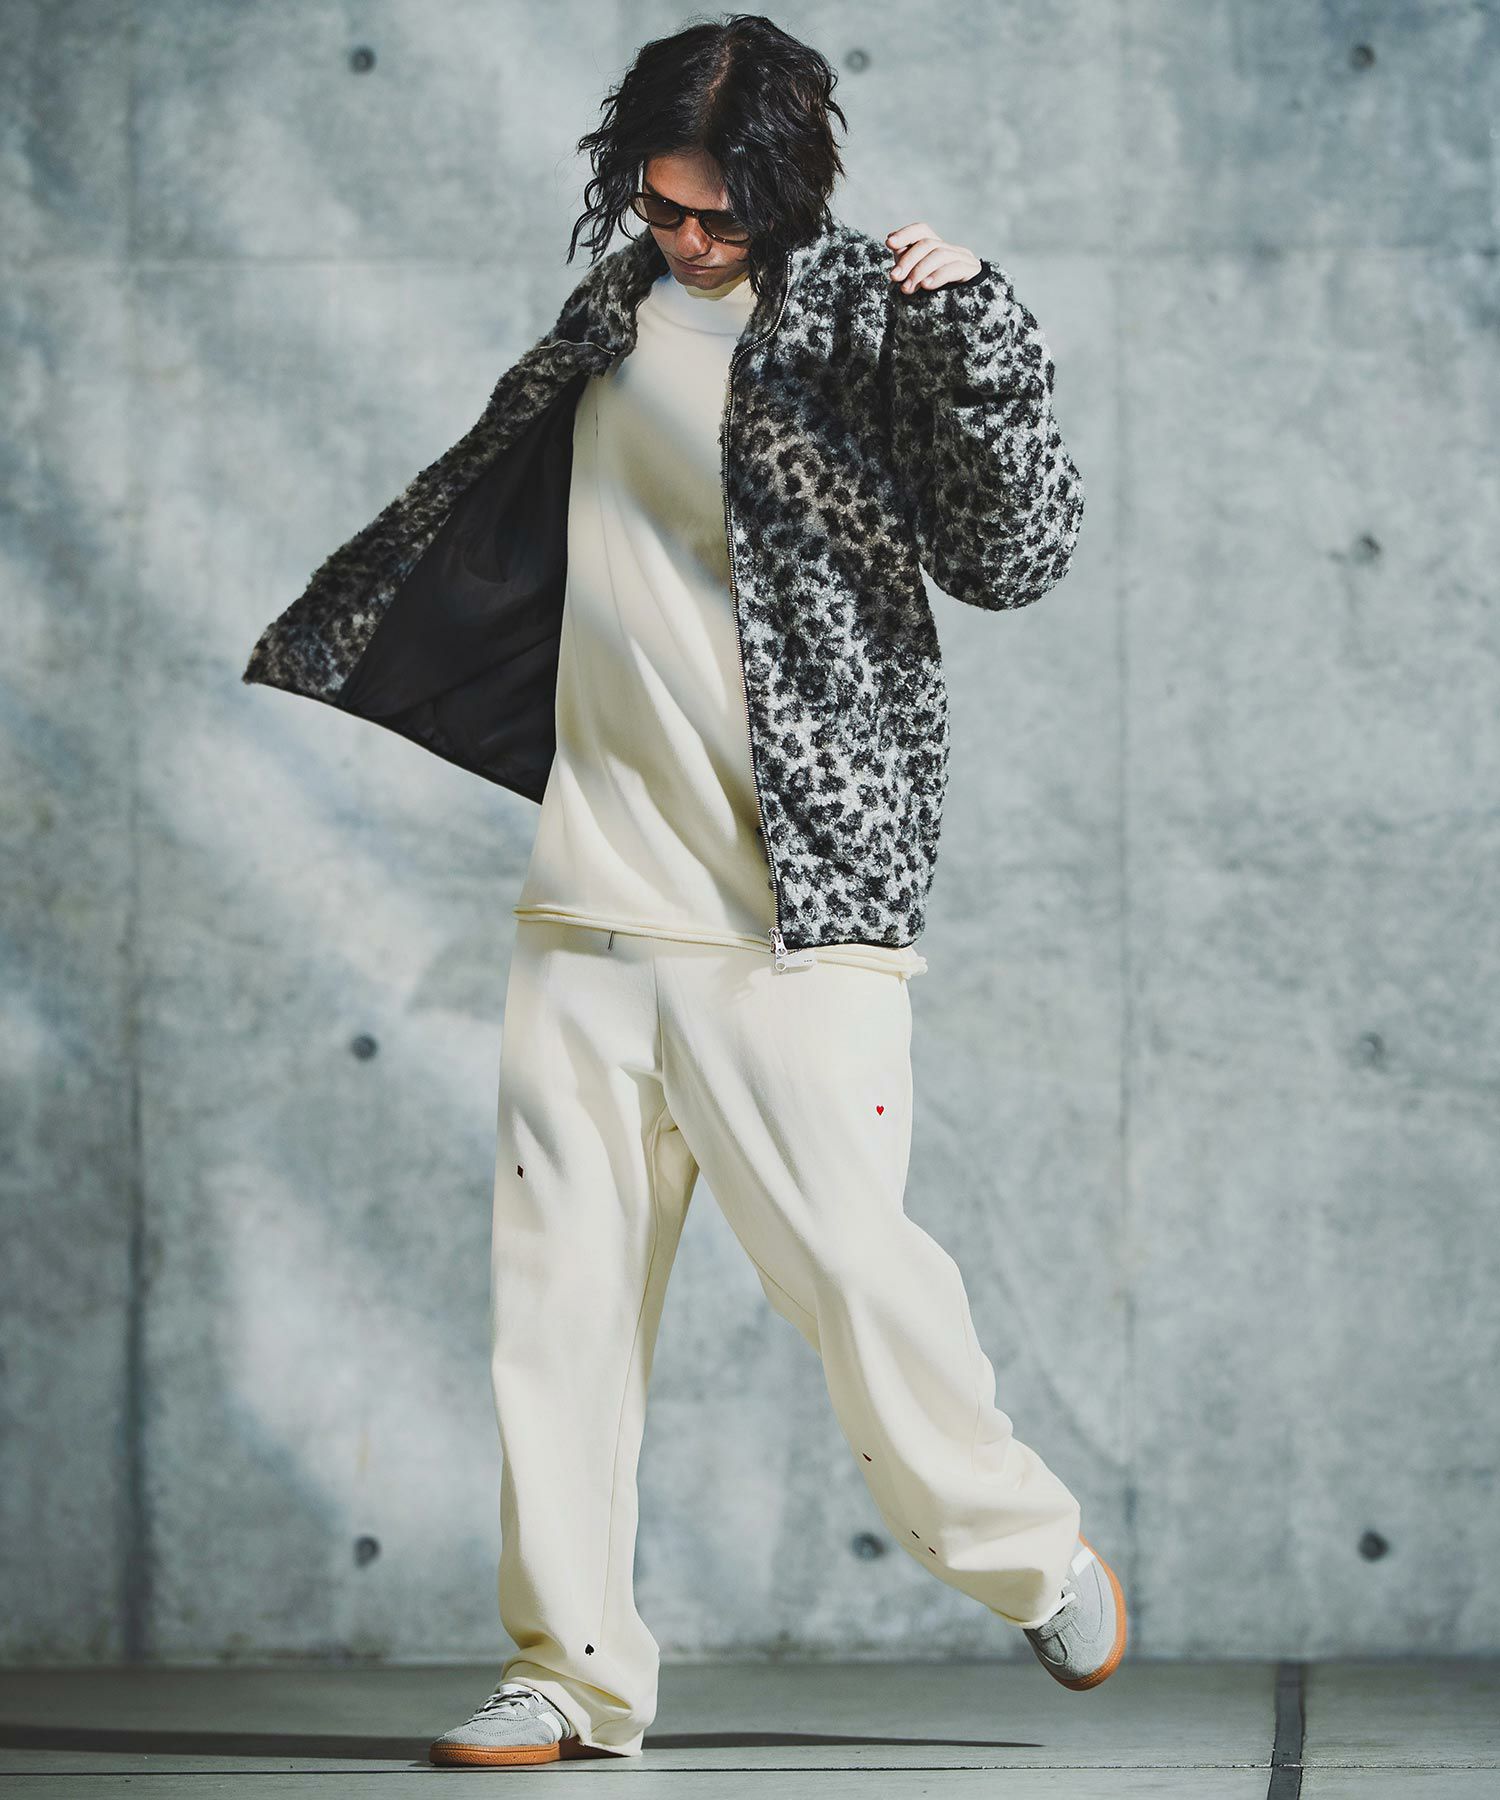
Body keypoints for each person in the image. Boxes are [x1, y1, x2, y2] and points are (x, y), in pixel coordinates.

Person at [240, 13, 1124, 1773]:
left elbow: (1015, 557)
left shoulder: (877, 315)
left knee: (852, 1269)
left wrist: (983, 339)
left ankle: (1023, 1549)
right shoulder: (613, 312)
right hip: (589, 896)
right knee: (555, 1313)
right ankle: (569, 1676)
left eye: (722, 213)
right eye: (662, 206)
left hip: (795, 913)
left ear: (795, 189)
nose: (692, 239)